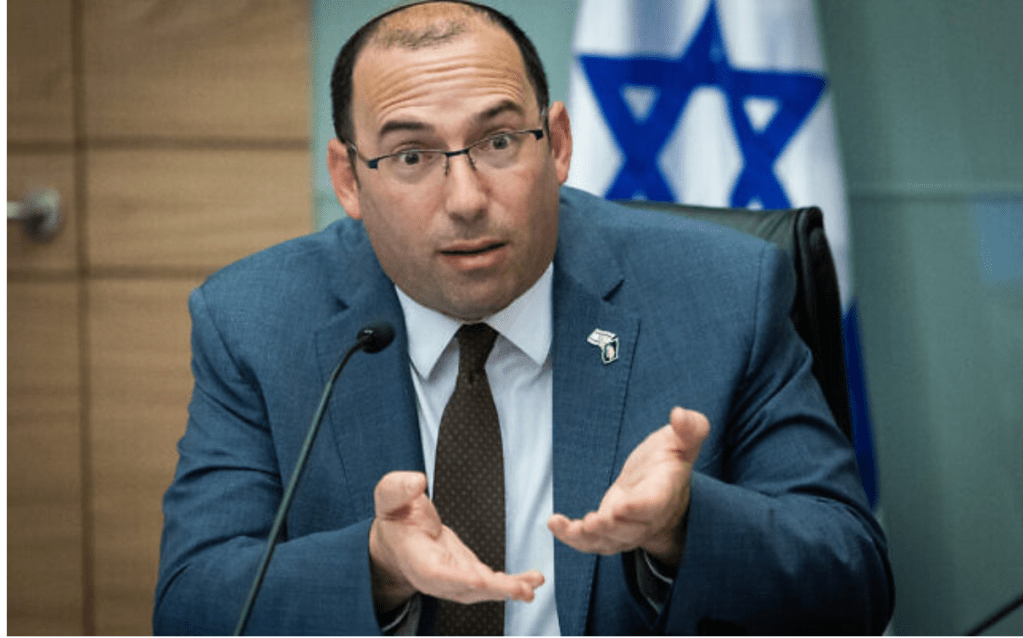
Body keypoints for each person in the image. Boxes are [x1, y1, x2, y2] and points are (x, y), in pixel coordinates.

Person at [154, 1, 893, 634]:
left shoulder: (721, 293)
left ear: (558, 145)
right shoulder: (257, 320)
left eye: (499, 142)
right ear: (349, 179)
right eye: (411, 156)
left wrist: (684, 525)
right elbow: (193, 606)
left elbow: (852, 579)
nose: (466, 199)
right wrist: (377, 567)